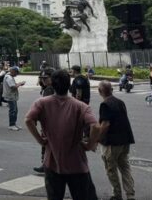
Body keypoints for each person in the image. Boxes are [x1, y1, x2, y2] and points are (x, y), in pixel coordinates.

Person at [25, 69, 100, 200]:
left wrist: (40, 140)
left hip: (52, 162)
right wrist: (89, 145)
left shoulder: (42, 103)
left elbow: (28, 120)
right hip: (77, 163)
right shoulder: (81, 106)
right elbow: (96, 126)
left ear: (52, 84)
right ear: (69, 84)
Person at [97, 80, 136, 200]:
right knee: (125, 167)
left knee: (111, 168)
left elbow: (105, 124)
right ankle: (130, 195)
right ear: (112, 90)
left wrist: (97, 138)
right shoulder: (120, 102)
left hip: (112, 142)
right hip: (125, 140)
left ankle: (117, 194)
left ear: (100, 91)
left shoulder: (105, 104)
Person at [34, 67, 55, 174]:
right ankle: (46, 164)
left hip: (49, 122)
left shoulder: (49, 90)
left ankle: (46, 165)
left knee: (46, 144)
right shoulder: (53, 88)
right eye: (42, 78)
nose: (43, 80)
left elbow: (45, 107)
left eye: (46, 78)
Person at [2, 66, 25, 130]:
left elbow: (13, 85)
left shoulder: (9, 76)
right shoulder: (9, 77)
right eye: (17, 73)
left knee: (15, 110)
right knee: (13, 111)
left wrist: (18, 84)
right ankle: (11, 125)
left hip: (12, 96)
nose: (17, 74)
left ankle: (14, 124)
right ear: (13, 71)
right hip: (10, 96)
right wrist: (20, 84)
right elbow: (13, 87)